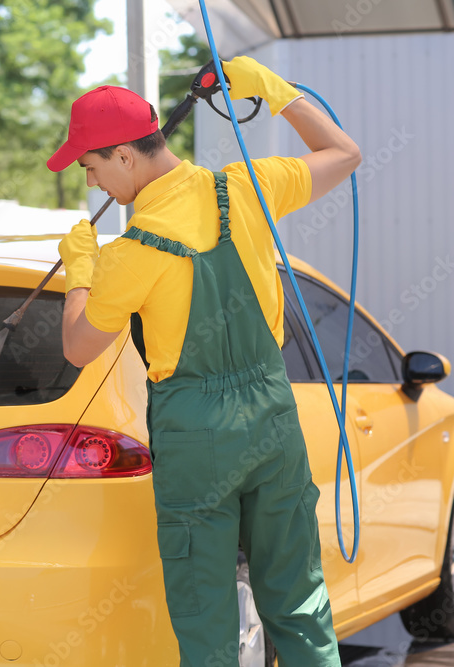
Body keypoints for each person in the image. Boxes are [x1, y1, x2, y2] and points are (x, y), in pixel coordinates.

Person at [48, 57, 361, 666]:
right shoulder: (247, 187)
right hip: (271, 414)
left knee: (207, 616)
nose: (93, 185)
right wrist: (276, 91)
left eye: (90, 167)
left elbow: (78, 348)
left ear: (124, 157)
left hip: (196, 433)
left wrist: (80, 273)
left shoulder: (131, 253)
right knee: (298, 602)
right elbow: (343, 153)